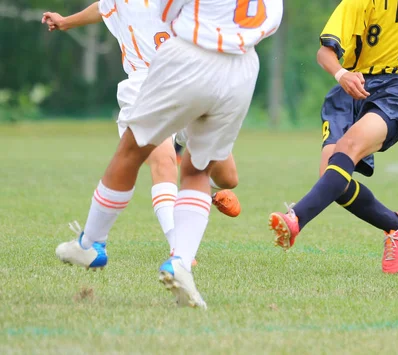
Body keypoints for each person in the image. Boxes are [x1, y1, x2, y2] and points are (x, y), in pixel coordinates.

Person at [51, 0, 283, 308]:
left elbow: (168, 12)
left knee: (132, 152)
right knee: (195, 170)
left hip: (188, 59)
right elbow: (271, 23)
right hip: (241, 68)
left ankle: (91, 243)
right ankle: (180, 261)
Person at [42, 1, 243, 263]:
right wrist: (67, 21)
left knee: (228, 177)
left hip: (189, 82)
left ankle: (202, 192)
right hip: (145, 84)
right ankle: (178, 250)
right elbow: (103, 8)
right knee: (164, 160)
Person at [269, 0, 398, 274]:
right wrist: (341, 73)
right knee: (332, 178)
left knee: (347, 148)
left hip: (396, 88)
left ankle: (296, 219)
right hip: (349, 91)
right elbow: (324, 54)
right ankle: (396, 224)